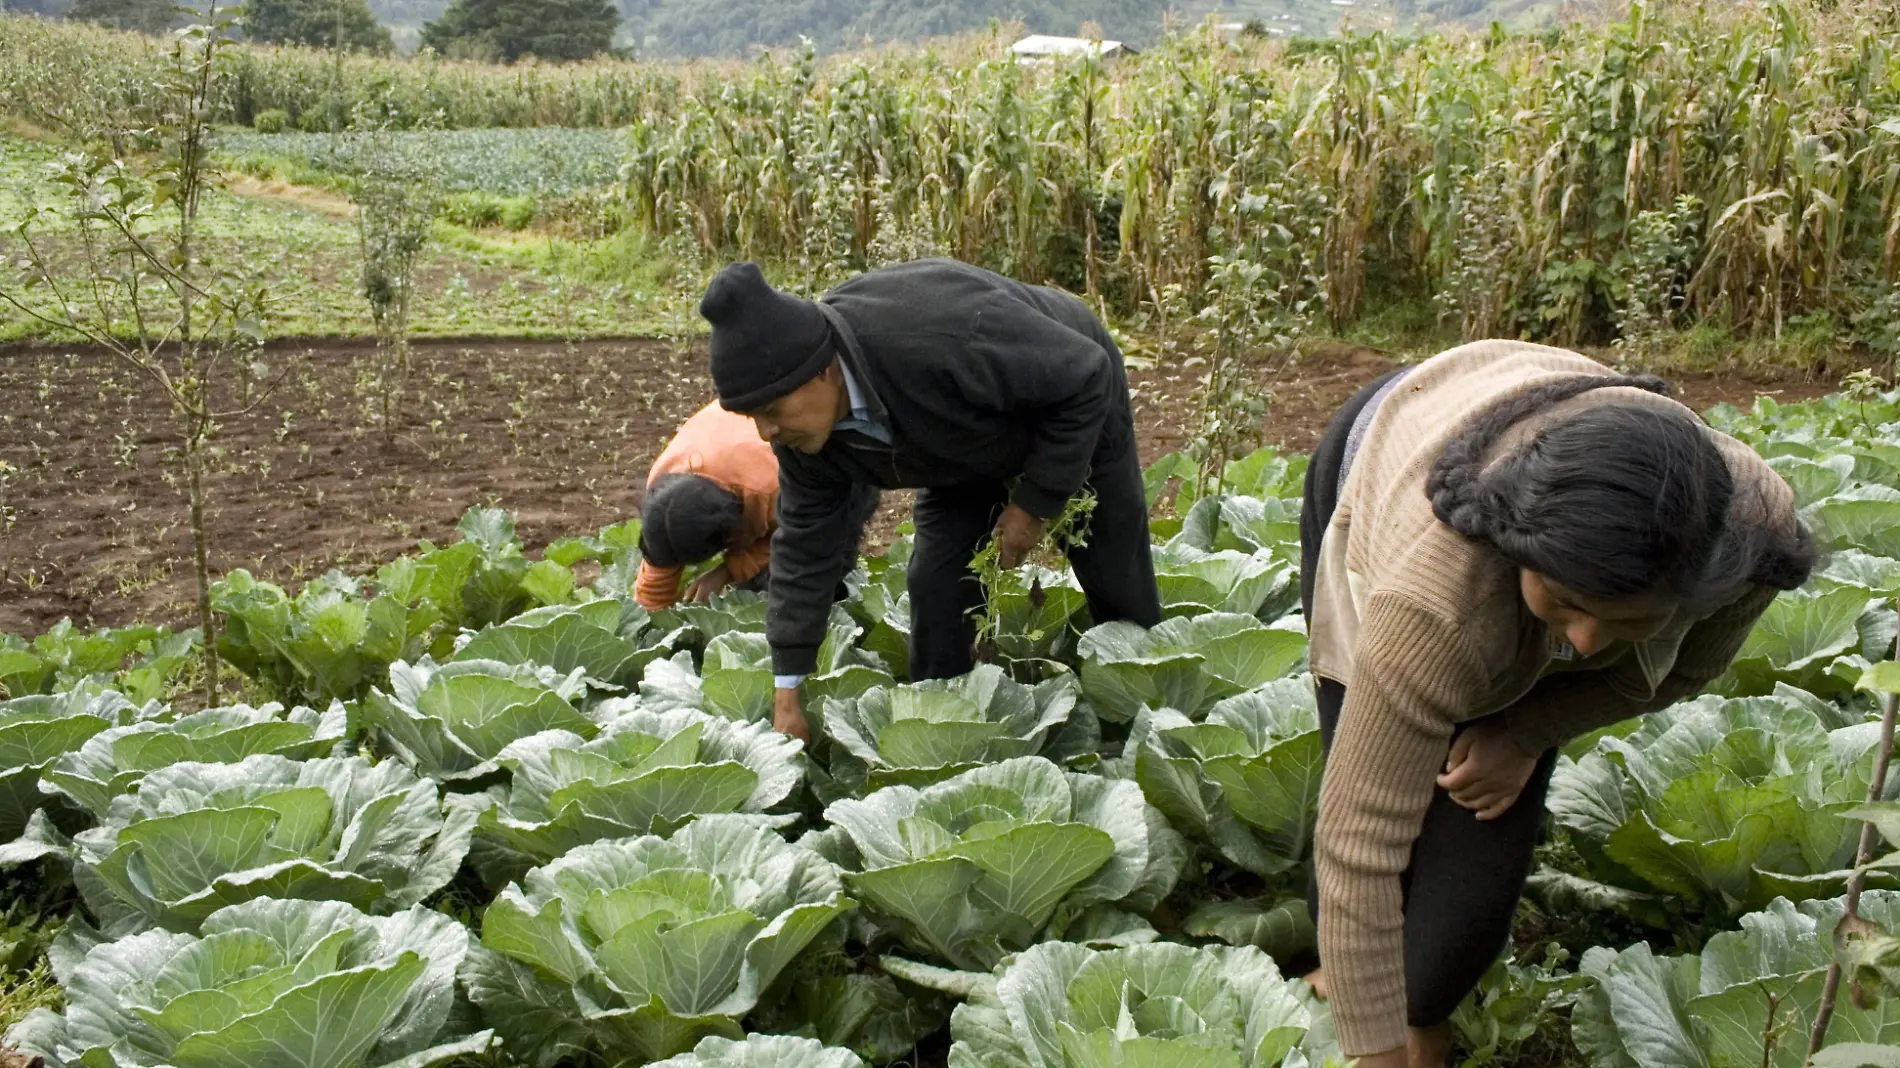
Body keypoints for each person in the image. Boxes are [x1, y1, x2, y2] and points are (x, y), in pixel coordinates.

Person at [1298, 340, 1815, 1068]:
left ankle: (1415, 1007)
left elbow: (1684, 673)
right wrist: (1376, 1055)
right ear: (1518, 551)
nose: (1585, 638)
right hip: (1393, 438)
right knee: (1375, 795)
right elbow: (1360, 841)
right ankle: (1345, 986)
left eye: (1631, 620)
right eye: (1565, 601)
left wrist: (1527, 729)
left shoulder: (1749, 542)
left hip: (1574, 452)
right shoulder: (1432, 601)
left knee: (1452, 936)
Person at [699, 258, 1164, 742]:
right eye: (752, 417)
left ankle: (1147, 722)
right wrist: (788, 693)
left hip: (1065, 391)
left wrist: (1035, 503)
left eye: (771, 410)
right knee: (938, 585)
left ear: (825, 371)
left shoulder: (940, 340)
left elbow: (1084, 376)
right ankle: (945, 734)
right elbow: (804, 549)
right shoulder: (803, 441)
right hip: (960, 441)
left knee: (1114, 570)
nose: (766, 431)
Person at [634, 400, 780, 611]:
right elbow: (659, 565)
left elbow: (802, 531)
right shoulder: (663, 488)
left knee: (774, 580)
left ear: (730, 534)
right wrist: (650, 618)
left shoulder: (773, 486)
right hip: (723, 436)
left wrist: (727, 571)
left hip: (802, 452)